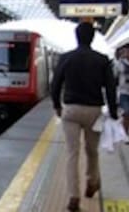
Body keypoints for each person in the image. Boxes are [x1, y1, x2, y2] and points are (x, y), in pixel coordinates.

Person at [51, 22, 118, 212]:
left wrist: (57, 105)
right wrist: (113, 112)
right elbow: (110, 88)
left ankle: (73, 196)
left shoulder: (66, 58)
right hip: (94, 111)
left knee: (72, 153)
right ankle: (93, 181)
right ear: (93, 38)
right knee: (92, 150)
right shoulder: (102, 60)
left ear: (76, 36)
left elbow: (55, 84)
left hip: (71, 110)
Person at [116, 45, 129, 140]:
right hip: (125, 93)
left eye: (128, 51)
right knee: (126, 113)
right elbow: (116, 74)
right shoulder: (120, 63)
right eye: (124, 52)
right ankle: (125, 134)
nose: (126, 54)